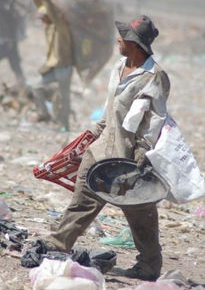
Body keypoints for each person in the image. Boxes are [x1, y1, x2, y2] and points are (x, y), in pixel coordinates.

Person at [35, 15, 171, 281]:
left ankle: (149, 266)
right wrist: (90, 136)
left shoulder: (154, 77)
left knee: (140, 214)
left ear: (133, 43)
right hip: (100, 151)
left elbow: (155, 119)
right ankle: (56, 245)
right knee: (82, 203)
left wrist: (142, 152)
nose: (117, 39)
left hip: (128, 158)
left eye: (122, 37)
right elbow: (110, 112)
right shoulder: (119, 66)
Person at [29, 0, 73, 129]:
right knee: (36, 87)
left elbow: (50, 9)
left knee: (63, 98)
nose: (42, 21)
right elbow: (41, 6)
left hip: (64, 67)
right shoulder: (49, 27)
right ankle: (43, 114)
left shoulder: (61, 27)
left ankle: (64, 126)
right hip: (53, 67)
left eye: (44, 18)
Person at [0, 0, 25, 86]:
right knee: (15, 63)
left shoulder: (10, 11)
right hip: (6, 40)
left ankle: (22, 84)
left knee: (15, 64)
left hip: (8, 40)